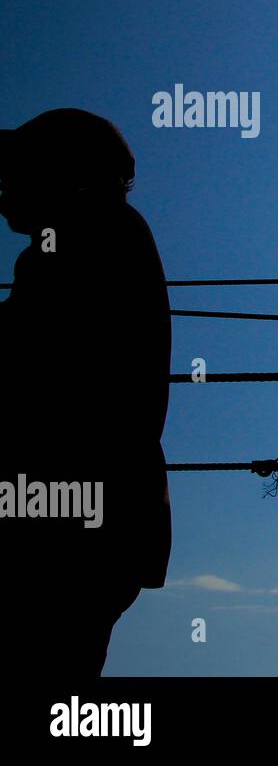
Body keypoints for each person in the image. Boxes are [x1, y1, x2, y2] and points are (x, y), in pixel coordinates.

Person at [0, 108, 172, 676]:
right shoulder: (97, 234)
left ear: (62, 175)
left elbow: (25, 357)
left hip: (65, 527)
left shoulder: (87, 236)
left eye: (18, 170)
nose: (5, 184)